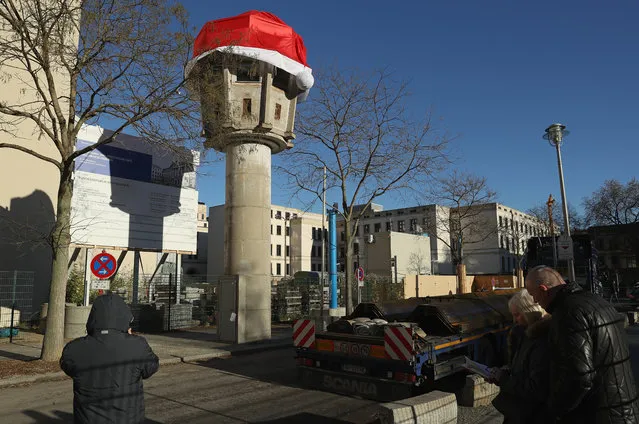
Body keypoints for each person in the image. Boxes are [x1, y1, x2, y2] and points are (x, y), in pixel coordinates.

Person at [525, 265, 639, 423]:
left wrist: (553, 411)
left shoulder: (567, 313)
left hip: (597, 415)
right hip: (622, 408)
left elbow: (579, 377)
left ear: (543, 289)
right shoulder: (595, 301)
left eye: (533, 295)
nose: (535, 301)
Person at [60, 294, 159, 424]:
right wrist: (129, 338)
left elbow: (68, 366)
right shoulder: (137, 345)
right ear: (124, 316)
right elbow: (151, 367)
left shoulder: (74, 348)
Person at [489, 289, 551, 424]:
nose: (514, 320)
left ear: (528, 311)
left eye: (517, 315)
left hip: (531, 414)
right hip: (523, 411)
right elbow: (521, 369)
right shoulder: (525, 334)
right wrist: (502, 374)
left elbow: (535, 387)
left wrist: (504, 378)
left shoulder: (541, 340)